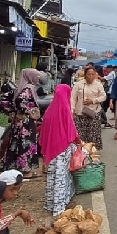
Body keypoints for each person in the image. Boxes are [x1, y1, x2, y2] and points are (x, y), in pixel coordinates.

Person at [40, 84, 81, 216]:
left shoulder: (49, 110)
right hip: (63, 149)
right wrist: (78, 142)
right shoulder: (65, 110)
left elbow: (43, 131)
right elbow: (71, 130)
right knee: (61, 176)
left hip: (51, 149)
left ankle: (50, 203)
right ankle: (59, 206)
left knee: (52, 176)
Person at [0, 68, 42, 178]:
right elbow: (21, 101)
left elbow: (3, 99)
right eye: (36, 76)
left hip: (18, 122)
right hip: (26, 123)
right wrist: (26, 111)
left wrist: (12, 111)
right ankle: (26, 171)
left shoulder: (20, 88)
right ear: (30, 77)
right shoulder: (28, 89)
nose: (38, 78)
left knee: (16, 144)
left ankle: (12, 168)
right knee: (26, 144)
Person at [0, 170, 35, 234]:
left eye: (18, 189)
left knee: (4, 230)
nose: (16, 193)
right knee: (2, 231)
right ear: (2, 188)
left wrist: (18, 213)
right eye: (12, 189)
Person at [71, 67, 107, 150]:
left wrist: (93, 101)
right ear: (85, 75)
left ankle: (93, 151)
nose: (91, 76)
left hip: (94, 112)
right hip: (80, 113)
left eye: (93, 74)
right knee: (81, 133)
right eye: (89, 74)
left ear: (95, 75)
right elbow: (73, 98)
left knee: (94, 133)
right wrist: (72, 110)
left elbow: (103, 97)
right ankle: (82, 151)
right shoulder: (78, 84)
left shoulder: (98, 85)